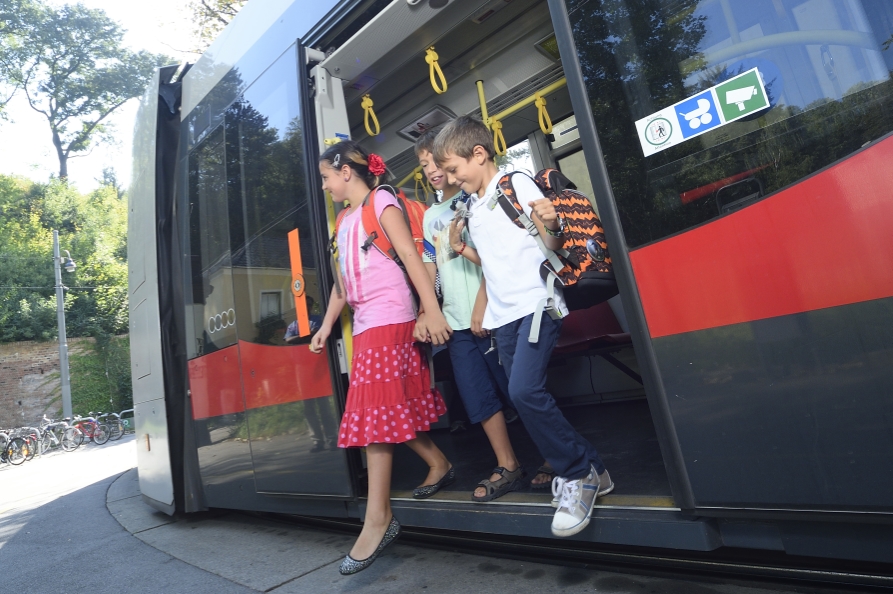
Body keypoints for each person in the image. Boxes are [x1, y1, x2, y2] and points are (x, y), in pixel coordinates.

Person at [432, 116, 613, 538]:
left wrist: (551, 221)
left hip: (537, 303)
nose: (453, 179)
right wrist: (461, 248)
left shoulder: (514, 183)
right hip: (503, 316)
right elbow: (495, 260)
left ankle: (576, 475)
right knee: (526, 395)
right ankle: (596, 470)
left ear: (479, 154)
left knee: (523, 392)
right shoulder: (474, 204)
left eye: (455, 169)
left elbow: (549, 241)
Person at [309, 140, 454, 574]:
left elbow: (410, 255)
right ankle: (438, 462)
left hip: (391, 316)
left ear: (345, 172)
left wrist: (430, 309)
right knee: (384, 409)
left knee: (375, 414)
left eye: (325, 177)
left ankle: (379, 519)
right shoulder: (343, 219)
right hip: (367, 323)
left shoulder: (382, 199)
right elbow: (341, 284)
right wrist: (327, 325)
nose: (324, 185)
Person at [413, 130, 524, 502]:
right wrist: (429, 310)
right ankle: (507, 463)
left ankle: (552, 458)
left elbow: (492, 256)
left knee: (520, 389)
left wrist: (481, 304)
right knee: (478, 397)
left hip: (491, 311)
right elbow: (431, 264)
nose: (431, 170)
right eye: (424, 165)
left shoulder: (473, 198)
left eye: (435, 162)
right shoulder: (430, 216)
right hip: (456, 321)